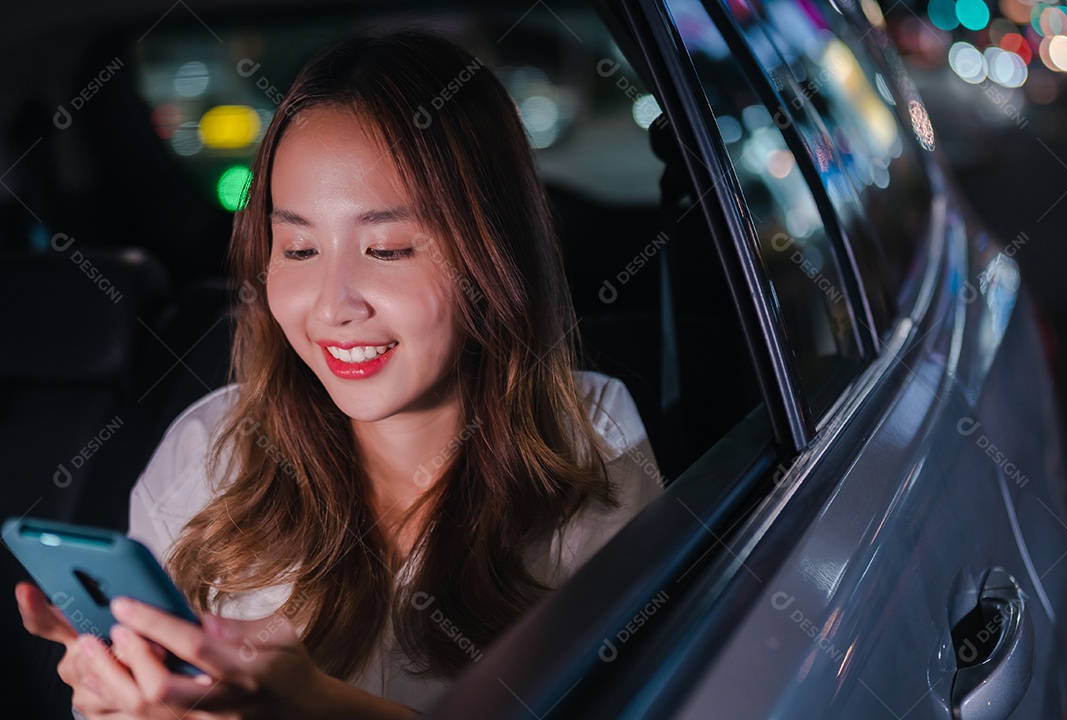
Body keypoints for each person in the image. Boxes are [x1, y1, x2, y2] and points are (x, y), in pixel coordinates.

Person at [16, 30, 663, 718]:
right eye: (297, 248)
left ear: (490, 255)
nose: (332, 304)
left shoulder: (589, 443)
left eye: (386, 249)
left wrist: (310, 705)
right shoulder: (211, 450)